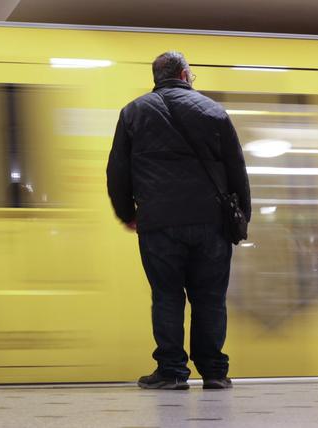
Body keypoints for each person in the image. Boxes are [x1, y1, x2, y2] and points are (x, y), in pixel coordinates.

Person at [106, 51, 252, 390]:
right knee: (211, 297)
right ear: (185, 75)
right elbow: (236, 169)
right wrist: (242, 217)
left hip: (159, 223)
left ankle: (171, 371)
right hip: (211, 223)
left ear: (157, 78)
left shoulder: (134, 112)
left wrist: (127, 214)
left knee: (167, 295)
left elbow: (117, 171)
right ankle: (214, 372)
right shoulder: (214, 111)